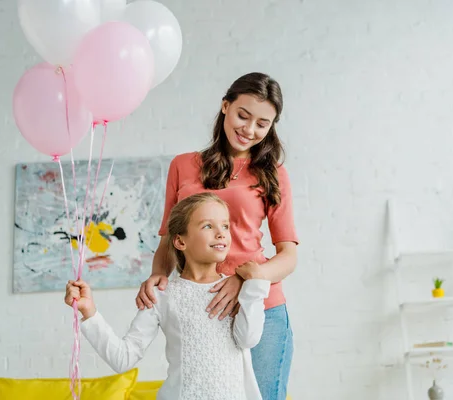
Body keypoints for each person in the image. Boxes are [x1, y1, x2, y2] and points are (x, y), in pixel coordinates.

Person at [135, 72, 298, 399]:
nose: (249, 129)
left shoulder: (273, 173)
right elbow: (169, 240)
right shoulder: (183, 166)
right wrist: (157, 278)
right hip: (201, 309)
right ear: (226, 106)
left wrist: (246, 279)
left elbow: (288, 255)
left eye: (262, 123)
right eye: (243, 115)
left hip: (261, 309)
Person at [65, 193, 270, 400]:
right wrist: (89, 311)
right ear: (180, 241)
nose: (221, 234)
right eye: (208, 226)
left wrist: (255, 286)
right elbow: (123, 358)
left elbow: (248, 339)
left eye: (225, 226)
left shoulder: (238, 290)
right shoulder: (161, 295)